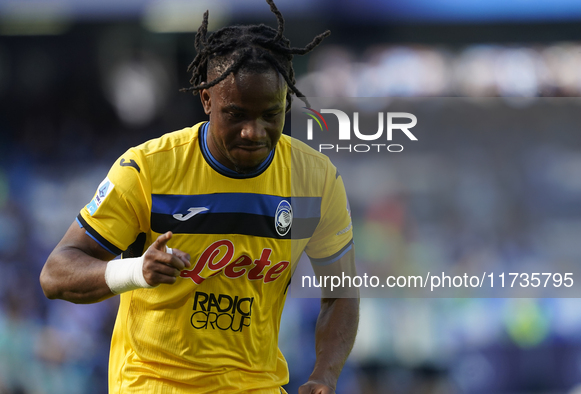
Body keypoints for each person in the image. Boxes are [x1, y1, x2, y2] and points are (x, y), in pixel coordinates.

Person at [39, 1, 359, 393]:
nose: (253, 132)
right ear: (207, 100)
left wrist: (324, 375)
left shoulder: (316, 178)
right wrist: (135, 271)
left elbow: (341, 293)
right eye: (237, 114)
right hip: (155, 384)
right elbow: (55, 273)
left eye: (270, 115)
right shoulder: (147, 169)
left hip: (257, 386)